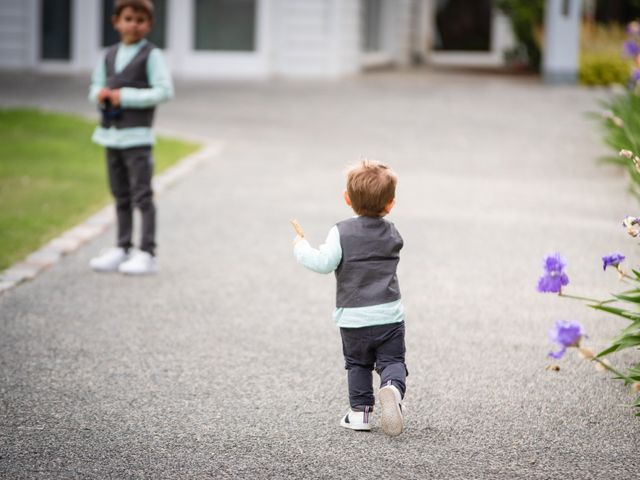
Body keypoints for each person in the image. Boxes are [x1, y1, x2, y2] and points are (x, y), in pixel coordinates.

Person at [291, 160, 407, 436]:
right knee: (392, 362)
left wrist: (301, 246)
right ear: (390, 204)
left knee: (358, 364)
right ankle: (391, 387)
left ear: (347, 199)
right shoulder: (392, 232)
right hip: (389, 315)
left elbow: (323, 263)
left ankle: (359, 413)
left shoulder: (340, 231)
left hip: (354, 316)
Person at [88, 0, 173, 275]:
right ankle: (122, 246)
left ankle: (146, 252)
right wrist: (100, 94)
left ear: (149, 24)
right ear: (116, 21)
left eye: (140, 20)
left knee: (142, 196)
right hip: (111, 137)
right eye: (128, 18)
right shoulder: (108, 54)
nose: (133, 24)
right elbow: (94, 87)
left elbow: (163, 91)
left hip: (137, 138)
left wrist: (124, 96)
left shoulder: (152, 55)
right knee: (119, 195)